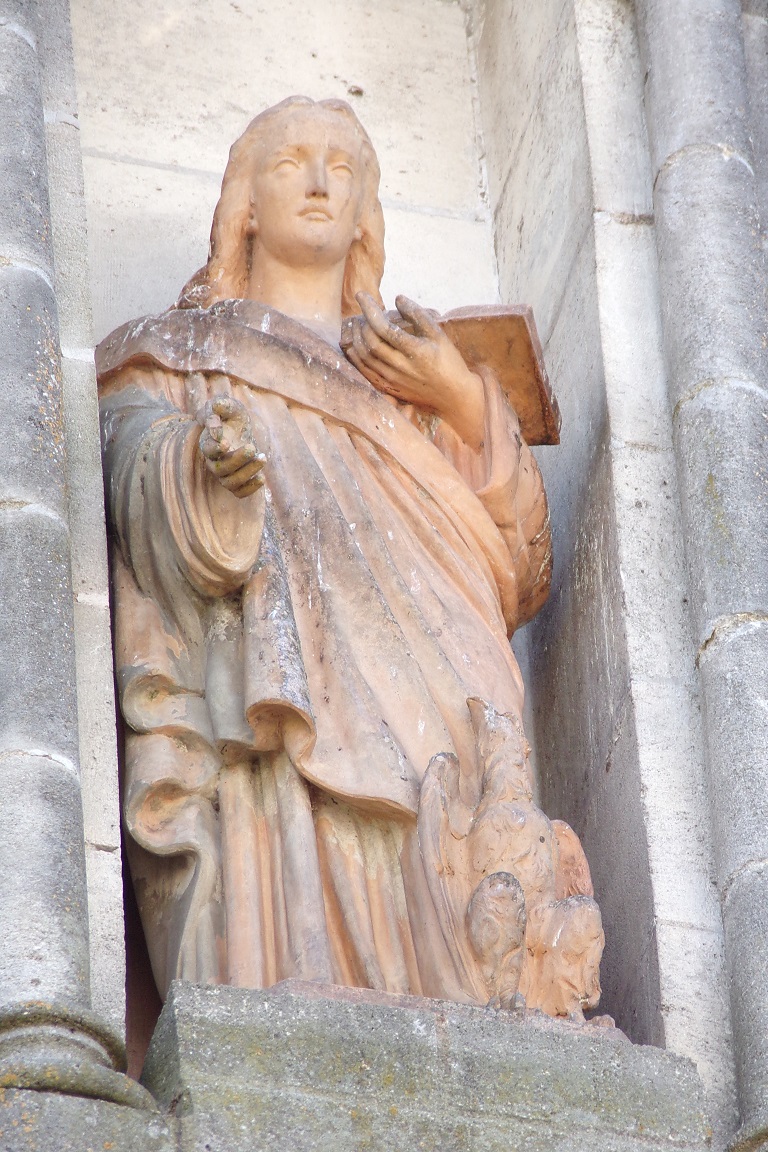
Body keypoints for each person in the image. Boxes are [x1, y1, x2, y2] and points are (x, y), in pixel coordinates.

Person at [98, 96, 593, 1010]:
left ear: (367, 214)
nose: (321, 182)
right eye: (292, 162)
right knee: (301, 831)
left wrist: (462, 396)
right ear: (245, 204)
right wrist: (204, 473)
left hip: (441, 715)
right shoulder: (176, 360)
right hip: (281, 706)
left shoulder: (418, 389)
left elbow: (521, 565)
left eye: (343, 166)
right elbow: (129, 463)